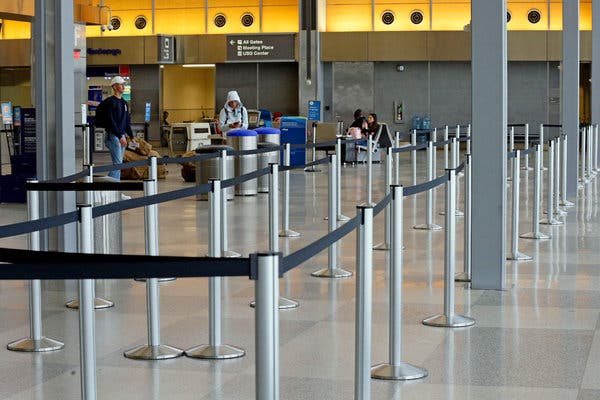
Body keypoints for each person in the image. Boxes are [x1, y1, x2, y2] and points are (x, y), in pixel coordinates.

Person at [99, 76, 133, 180]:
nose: (123, 86)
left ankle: (114, 189)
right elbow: (110, 121)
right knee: (118, 164)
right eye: (120, 84)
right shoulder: (110, 102)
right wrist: (119, 136)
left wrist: (131, 136)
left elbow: (126, 121)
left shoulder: (124, 102)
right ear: (114, 86)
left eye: (124, 84)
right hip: (113, 135)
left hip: (120, 135)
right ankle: (107, 187)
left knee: (118, 164)